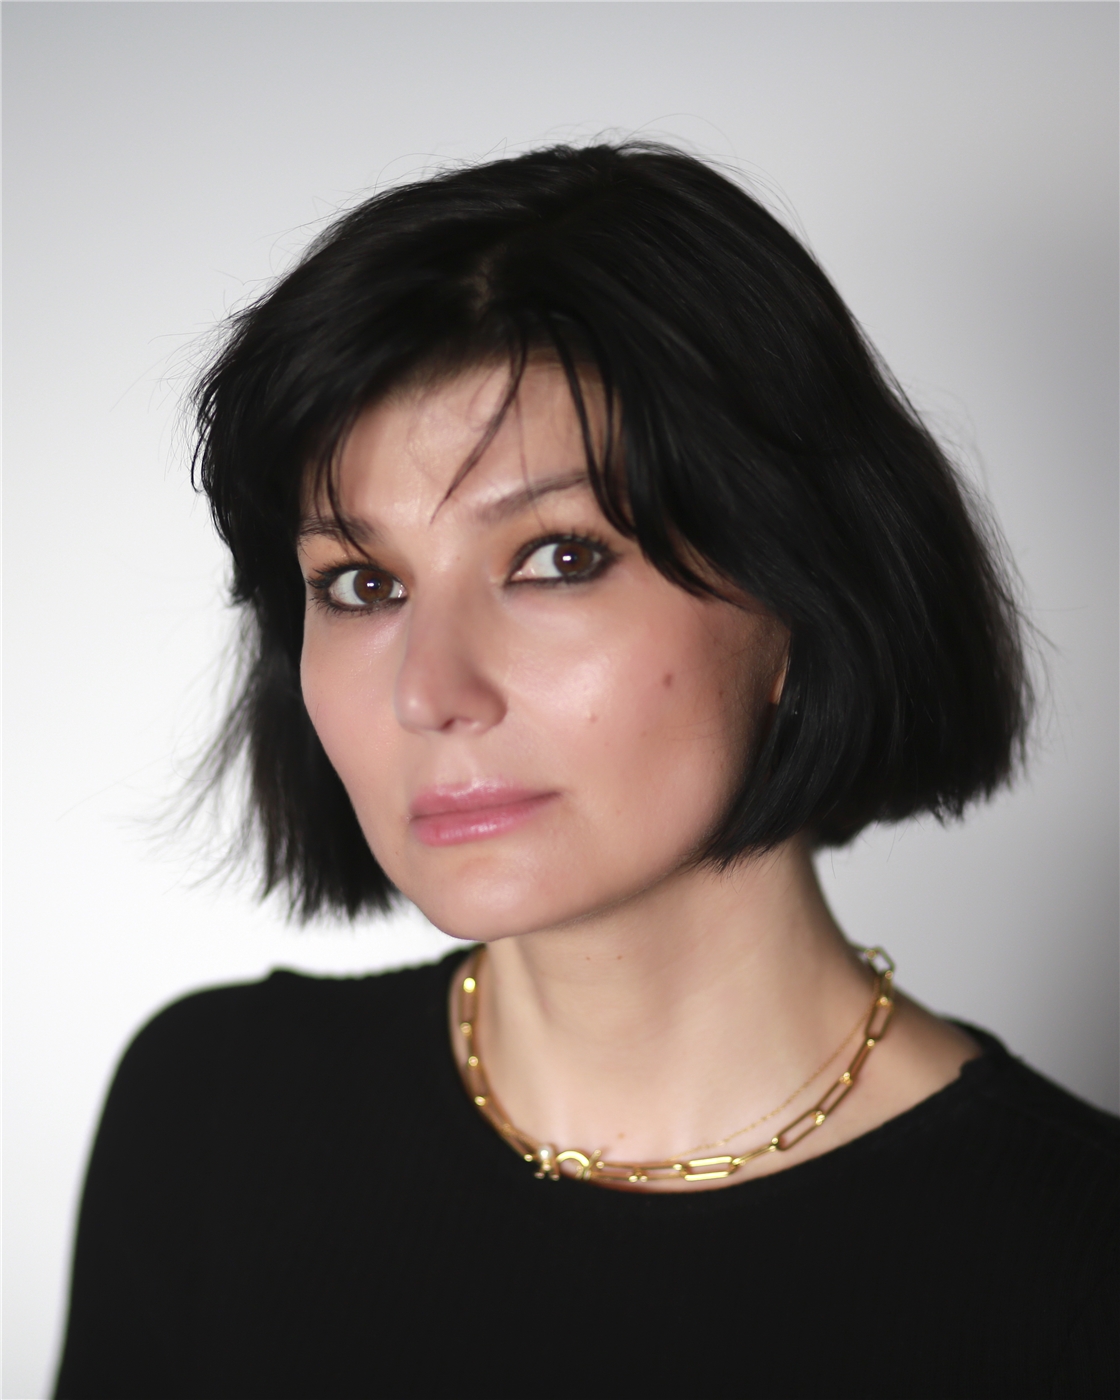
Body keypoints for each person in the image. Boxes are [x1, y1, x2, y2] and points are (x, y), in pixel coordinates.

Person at [54, 141, 1116, 1400]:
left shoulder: (1074, 1264)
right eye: (364, 583)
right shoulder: (211, 1116)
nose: (429, 689)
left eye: (558, 557)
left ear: (798, 596)